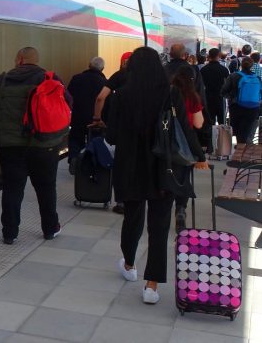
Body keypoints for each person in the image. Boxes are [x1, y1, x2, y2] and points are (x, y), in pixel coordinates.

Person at [107, 47, 208, 305]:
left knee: (132, 218)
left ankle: (129, 265)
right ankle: (152, 286)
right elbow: (185, 129)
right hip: (164, 169)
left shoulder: (120, 97)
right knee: (159, 226)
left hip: (130, 169)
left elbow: (111, 137)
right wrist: (200, 156)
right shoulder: (171, 94)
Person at [0, 47, 72, 245]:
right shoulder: (50, 78)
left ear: (20, 59)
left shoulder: (3, 79)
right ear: (36, 61)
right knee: (46, 188)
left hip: (10, 145)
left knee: (12, 189)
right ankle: (50, 229)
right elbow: (68, 103)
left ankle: (10, 233)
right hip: (45, 144)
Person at [90, 51, 132, 214]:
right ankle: (135, 198)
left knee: (120, 164)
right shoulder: (147, 78)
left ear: (122, 62)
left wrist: (97, 118)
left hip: (119, 129)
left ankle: (120, 201)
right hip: (141, 130)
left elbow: (101, 97)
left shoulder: (118, 76)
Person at [170, 66, 205, 232]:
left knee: (168, 174)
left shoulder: (166, 94)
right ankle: (181, 208)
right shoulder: (193, 97)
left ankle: (165, 202)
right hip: (186, 144)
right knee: (183, 177)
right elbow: (198, 124)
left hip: (166, 142)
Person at [66, 57, 107, 166]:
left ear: (89, 65)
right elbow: (106, 101)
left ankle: (73, 159)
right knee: (94, 139)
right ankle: (90, 162)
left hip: (77, 116)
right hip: (95, 118)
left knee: (75, 138)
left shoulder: (76, 78)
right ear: (102, 68)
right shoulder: (104, 82)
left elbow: (68, 96)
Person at [221, 58, 262, 144]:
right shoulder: (257, 78)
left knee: (236, 131)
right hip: (253, 108)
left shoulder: (233, 76)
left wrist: (231, 97)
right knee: (246, 132)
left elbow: (223, 92)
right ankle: (244, 151)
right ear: (251, 66)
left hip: (236, 107)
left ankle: (238, 151)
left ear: (241, 65)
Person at [200, 48, 229, 125]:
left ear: (209, 56)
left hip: (208, 96)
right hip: (220, 97)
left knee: (209, 120)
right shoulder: (224, 70)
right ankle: (221, 136)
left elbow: (201, 84)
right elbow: (227, 84)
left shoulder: (203, 70)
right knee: (221, 122)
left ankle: (210, 136)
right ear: (218, 56)